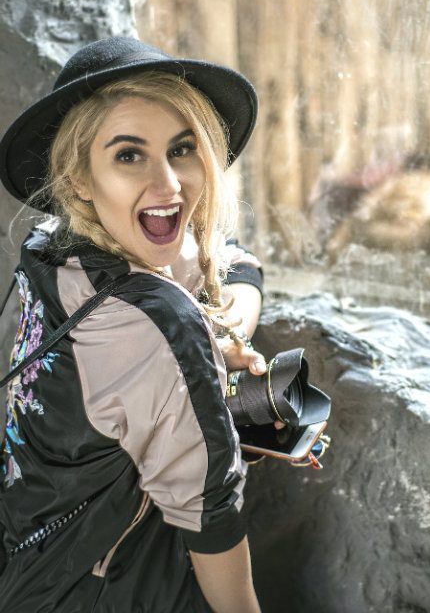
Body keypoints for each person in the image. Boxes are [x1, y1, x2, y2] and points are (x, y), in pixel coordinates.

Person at [0, 36, 269, 612]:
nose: (169, 185)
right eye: (129, 154)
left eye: (182, 148)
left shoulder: (54, 247)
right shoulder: (157, 319)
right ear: (78, 177)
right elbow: (210, 517)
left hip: (29, 571)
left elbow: (234, 258)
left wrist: (225, 331)